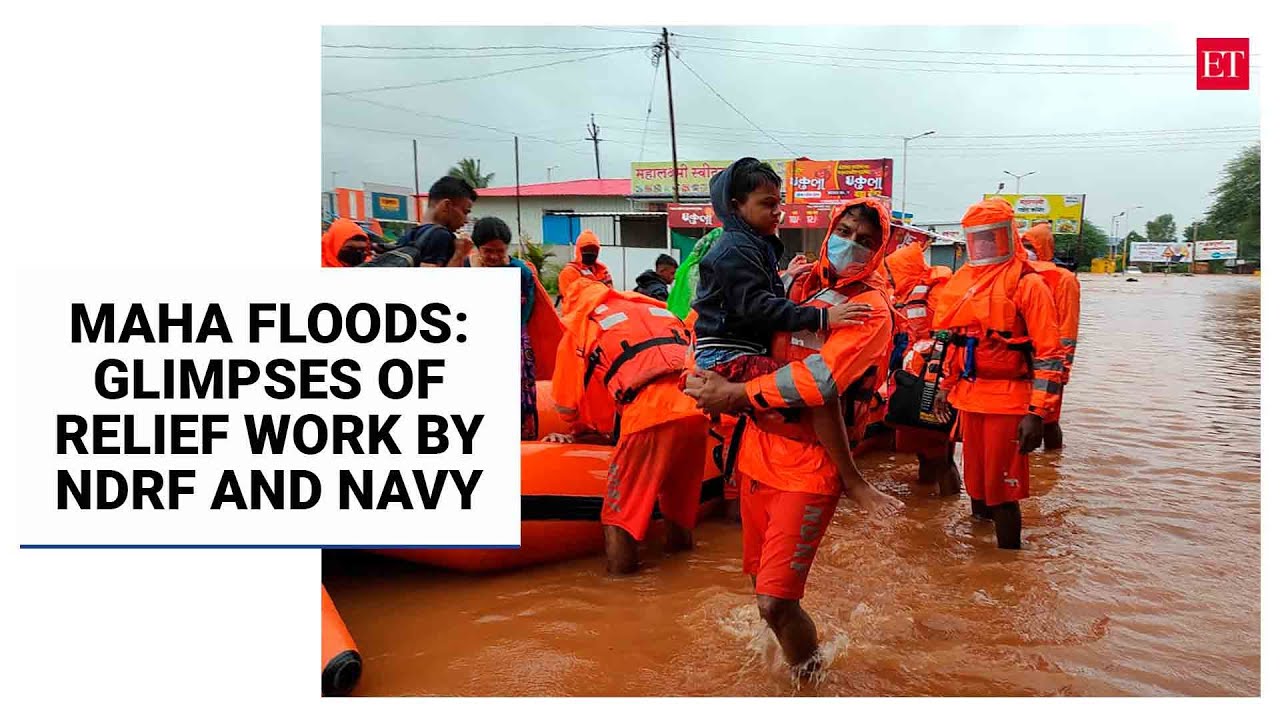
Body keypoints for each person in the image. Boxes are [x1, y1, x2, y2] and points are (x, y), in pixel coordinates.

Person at [684, 197, 903, 678]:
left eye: (865, 241)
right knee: (758, 585)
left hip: (810, 463)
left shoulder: (870, 309)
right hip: (758, 449)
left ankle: (810, 681)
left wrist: (736, 393)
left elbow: (818, 382)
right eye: (844, 231)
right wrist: (697, 373)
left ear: (880, 249)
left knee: (776, 602)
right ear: (830, 230)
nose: (850, 244)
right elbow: (725, 321)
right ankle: (776, 666)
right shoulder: (797, 283)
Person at [690, 158, 874, 516]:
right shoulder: (736, 250)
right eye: (767, 204)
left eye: (779, 203)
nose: (778, 212)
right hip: (730, 355)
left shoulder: (753, 245)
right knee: (817, 391)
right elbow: (758, 307)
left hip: (730, 353)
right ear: (735, 206)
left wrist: (786, 279)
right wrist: (824, 316)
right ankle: (853, 480)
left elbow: (754, 298)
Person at [544, 278, 709, 575]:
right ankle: (685, 572)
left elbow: (567, 405)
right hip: (697, 410)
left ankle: (621, 591)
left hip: (649, 415)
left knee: (618, 518)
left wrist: (580, 432)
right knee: (679, 510)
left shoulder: (583, 324)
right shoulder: (654, 311)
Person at [931, 199, 1066, 550]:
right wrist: (945, 386)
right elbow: (954, 342)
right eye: (978, 238)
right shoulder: (965, 283)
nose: (985, 245)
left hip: (1010, 403)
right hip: (969, 397)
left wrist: (1037, 414)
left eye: (992, 237)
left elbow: (1050, 354)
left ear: (1009, 236)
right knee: (976, 486)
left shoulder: (1027, 284)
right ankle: (979, 555)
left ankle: (1007, 569)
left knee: (1003, 492)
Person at [882, 227, 960, 493]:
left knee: (940, 453)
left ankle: (948, 504)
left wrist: (945, 386)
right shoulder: (903, 294)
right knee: (925, 451)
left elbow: (950, 337)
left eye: (893, 272)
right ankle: (926, 502)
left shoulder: (938, 292)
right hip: (913, 376)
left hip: (932, 380)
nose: (890, 277)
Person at [470, 217, 548, 440]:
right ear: (477, 248)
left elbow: (527, 309)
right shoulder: (466, 268)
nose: (494, 256)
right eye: (487, 251)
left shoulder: (520, 271)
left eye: (500, 251)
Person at [1021, 221, 1081, 451]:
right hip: (1025, 360)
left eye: (1031, 246)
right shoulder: (1024, 276)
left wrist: (1062, 369)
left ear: (1044, 249)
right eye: (1024, 245)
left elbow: (1068, 327)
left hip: (1052, 361)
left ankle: (1052, 461)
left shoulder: (1063, 279)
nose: (1028, 251)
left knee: (1048, 420)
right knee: (1027, 417)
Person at [397, 176, 477, 268]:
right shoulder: (440, 235)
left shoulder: (409, 235)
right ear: (446, 206)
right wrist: (459, 255)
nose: (466, 220)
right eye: (465, 212)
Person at [558, 229, 613, 298]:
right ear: (579, 250)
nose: (590, 253)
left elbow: (611, 292)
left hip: (602, 306)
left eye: (593, 250)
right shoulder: (569, 272)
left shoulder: (602, 270)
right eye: (586, 250)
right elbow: (573, 297)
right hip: (578, 308)